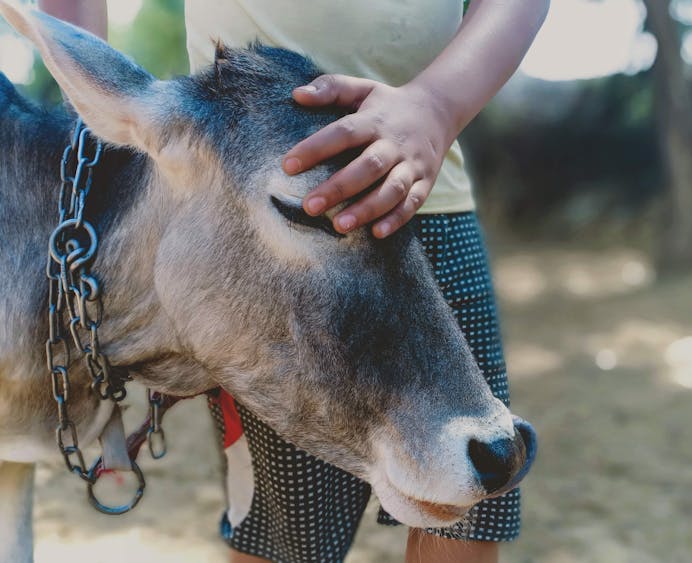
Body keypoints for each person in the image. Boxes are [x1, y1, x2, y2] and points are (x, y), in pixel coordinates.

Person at [38, 1, 550, 561]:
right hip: (262, 208)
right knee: (284, 540)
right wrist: (96, 125)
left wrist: (436, 106)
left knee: (472, 490)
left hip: (432, 193)